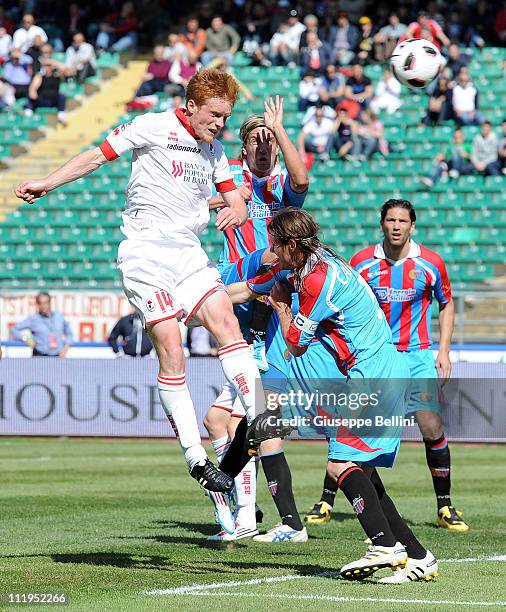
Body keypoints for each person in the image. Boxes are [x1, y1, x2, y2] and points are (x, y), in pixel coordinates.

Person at [15, 69, 266, 503]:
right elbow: (97, 156)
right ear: (190, 106)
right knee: (172, 346)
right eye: (214, 115)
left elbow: (238, 198)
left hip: (187, 253)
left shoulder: (216, 150)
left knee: (225, 319)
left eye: (225, 116)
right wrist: (47, 182)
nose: (220, 124)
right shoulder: (152, 126)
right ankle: (196, 457)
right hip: (146, 253)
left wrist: (238, 210)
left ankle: (261, 411)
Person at [223, 207, 438, 582]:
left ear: (292, 245)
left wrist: (279, 308)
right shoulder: (314, 264)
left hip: (372, 374)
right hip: (380, 370)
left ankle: (383, 545)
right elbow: (251, 286)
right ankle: (419, 556)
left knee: (339, 467)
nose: (271, 251)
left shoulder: (316, 280)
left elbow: (296, 344)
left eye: (275, 245)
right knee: (364, 473)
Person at [307, 199, 469, 533]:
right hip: (375, 355)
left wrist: (444, 351)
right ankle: (326, 500)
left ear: (413, 226)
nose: (396, 226)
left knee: (431, 425)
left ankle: (445, 506)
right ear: (382, 223)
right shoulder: (362, 262)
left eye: (402, 221)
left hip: (417, 355)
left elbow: (446, 303)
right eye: (390, 219)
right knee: (354, 424)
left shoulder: (431, 263)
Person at [205, 98, 309, 541]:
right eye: (256, 141)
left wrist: (279, 129)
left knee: (258, 421)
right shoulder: (231, 180)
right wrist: (223, 197)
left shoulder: (281, 185)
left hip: (266, 297)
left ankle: (284, 521)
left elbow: (302, 180)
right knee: (222, 422)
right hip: (237, 295)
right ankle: (246, 517)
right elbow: (193, 196)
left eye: (268, 142)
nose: (264, 148)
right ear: (242, 150)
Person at [11, 292, 73, 357]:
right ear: (37, 304)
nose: (43, 306)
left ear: (50, 303)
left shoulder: (58, 316)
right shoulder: (33, 319)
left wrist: (66, 348)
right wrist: (27, 339)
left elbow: (70, 334)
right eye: (41, 303)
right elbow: (14, 329)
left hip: (58, 356)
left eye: (46, 303)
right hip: (40, 356)